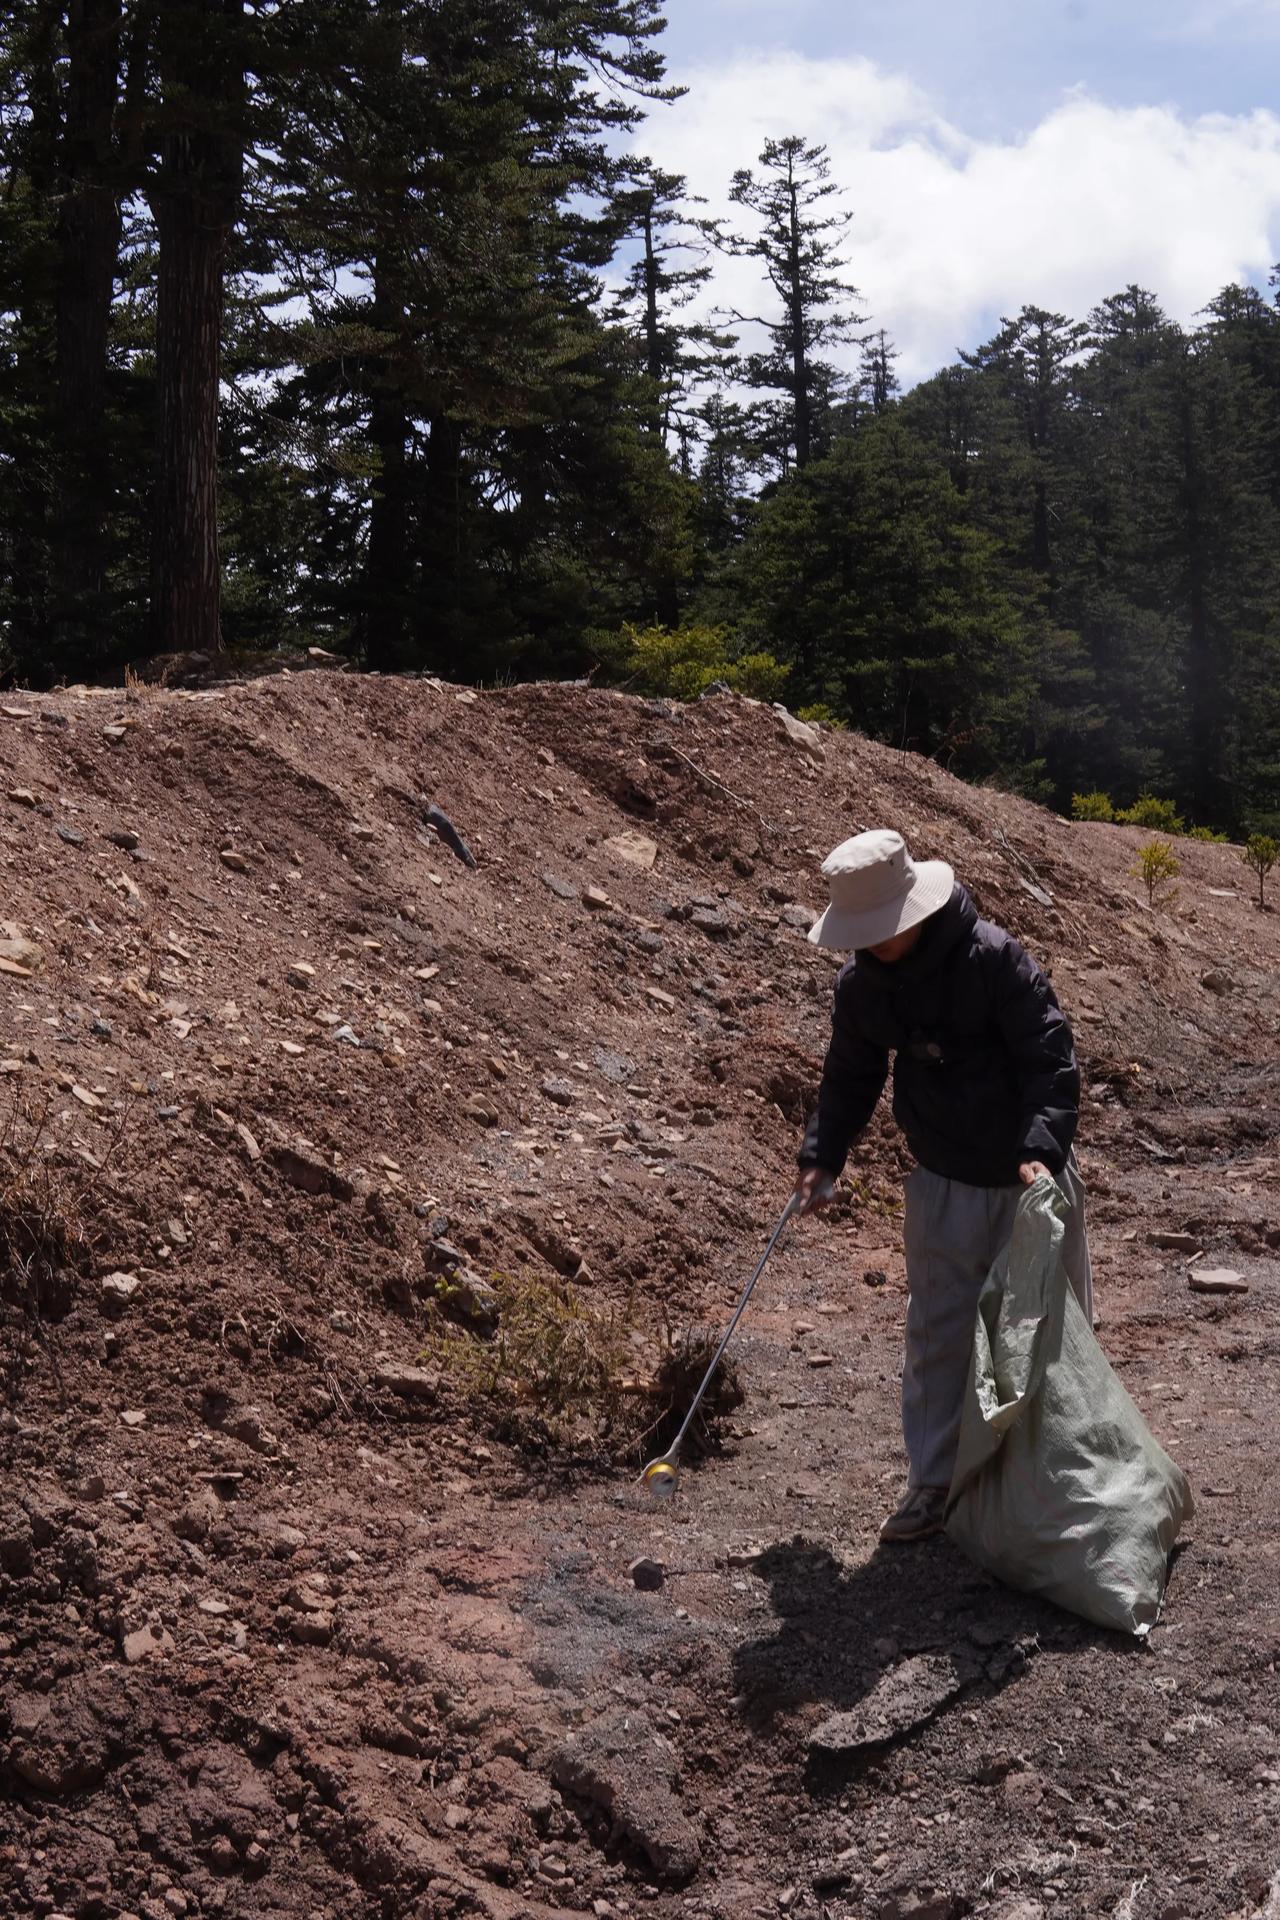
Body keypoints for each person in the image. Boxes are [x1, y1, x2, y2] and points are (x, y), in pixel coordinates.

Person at [794, 829, 1093, 1543]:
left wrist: (1041, 1149)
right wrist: (823, 1154)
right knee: (939, 1336)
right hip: (943, 1182)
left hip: (1030, 1180)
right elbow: (850, 1076)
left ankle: (1062, 1480)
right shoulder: (864, 987)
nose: (866, 946)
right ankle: (933, 1484)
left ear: (911, 913)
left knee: (1053, 1328)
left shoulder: (993, 957)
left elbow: (1049, 1054)